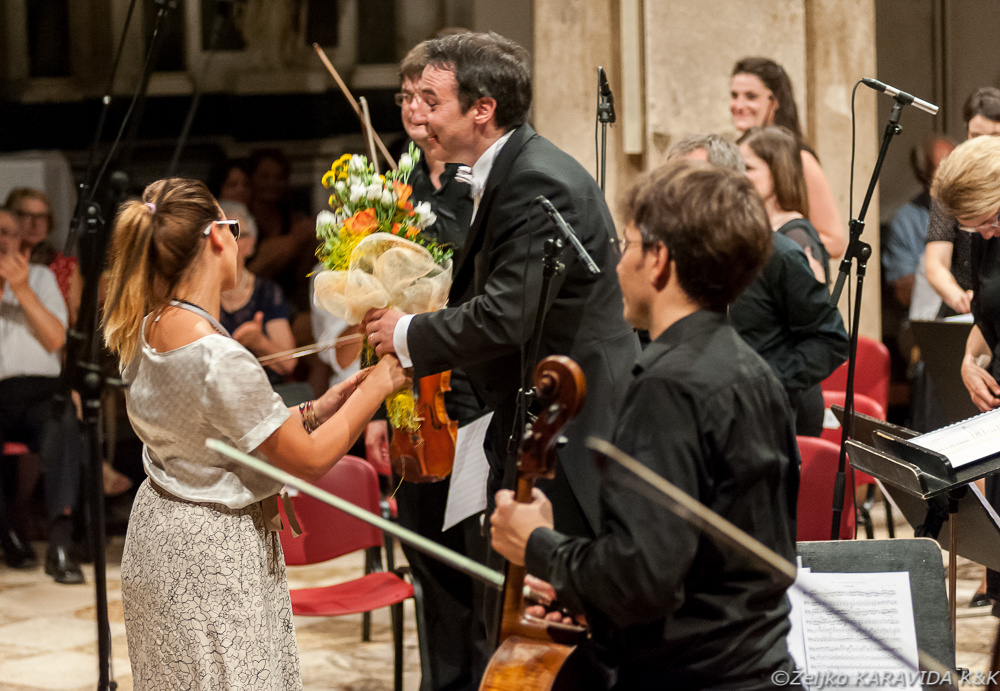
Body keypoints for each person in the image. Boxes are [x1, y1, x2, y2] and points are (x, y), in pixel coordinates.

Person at [489, 160, 799, 690]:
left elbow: (642, 580)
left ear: (659, 261)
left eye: (627, 244)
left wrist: (537, 542)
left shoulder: (667, 385)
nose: (616, 264)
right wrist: (586, 594)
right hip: (756, 664)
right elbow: (700, 557)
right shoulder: (753, 368)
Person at [101, 178, 409, 688]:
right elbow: (307, 462)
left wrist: (320, 407)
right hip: (211, 549)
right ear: (216, 239)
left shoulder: (145, 325)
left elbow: (221, 433)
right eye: (233, 227)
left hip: (161, 535)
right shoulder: (217, 355)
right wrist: (380, 382)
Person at [364, 32, 640, 544]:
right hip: (535, 409)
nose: (418, 116)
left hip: (572, 422)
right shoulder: (513, 167)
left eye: (432, 101)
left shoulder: (536, 179)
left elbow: (506, 315)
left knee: (552, 596)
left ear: (482, 109)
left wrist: (406, 332)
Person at [361, 41, 488, 691]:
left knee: (477, 557)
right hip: (410, 399)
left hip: (472, 393)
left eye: (426, 96)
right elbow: (372, 306)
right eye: (404, 97)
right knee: (428, 558)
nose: (414, 108)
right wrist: (377, 406)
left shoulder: (484, 185)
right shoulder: (390, 189)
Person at [674, 133, 848, 438]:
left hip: (765, 424)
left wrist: (765, 380)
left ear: (728, 184)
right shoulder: (671, 254)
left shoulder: (778, 254)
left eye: (689, 179)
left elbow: (829, 341)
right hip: (694, 419)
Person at [930, 134, 1000, 616]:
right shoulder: (983, 244)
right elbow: (986, 320)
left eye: (993, 221)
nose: (988, 233)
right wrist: (969, 361)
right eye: (976, 229)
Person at [0, 206, 87, 584]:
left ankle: (60, 544)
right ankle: (8, 536)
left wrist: (19, 289)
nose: (2, 240)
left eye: (8, 232)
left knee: (65, 419)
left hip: (41, 392)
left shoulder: (40, 277)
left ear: (20, 240)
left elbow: (56, 338)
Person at [730, 57, 846, 259]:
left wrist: (775, 246)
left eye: (751, 96)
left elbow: (835, 242)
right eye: (734, 95)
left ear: (775, 101)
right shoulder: (733, 150)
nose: (739, 105)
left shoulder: (800, 159)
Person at [925, 87, 1000, 317]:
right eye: (976, 136)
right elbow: (935, 263)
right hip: (965, 305)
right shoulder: (955, 183)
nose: (984, 144)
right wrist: (958, 296)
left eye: (995, 136)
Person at [217, 200, 296, 384]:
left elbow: (288, 363)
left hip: (265, 392)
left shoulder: (267, 292)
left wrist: (258, 341)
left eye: (237, 233)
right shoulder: (199, 291)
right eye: (222, 232)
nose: (229, 241)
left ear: (251, 242)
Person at [738, 125, 829, 283]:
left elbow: (805, 304)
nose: (738, 175)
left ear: (777, 172)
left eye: (748, 168)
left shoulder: (796, 236)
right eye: (737, 167)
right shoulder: (749, 225)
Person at [883, 135, 956, 309]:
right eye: (942, 170)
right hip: (934, 314)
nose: (953, 176)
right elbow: (903, 292)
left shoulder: (980, 207)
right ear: (922, 177)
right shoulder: (905, 220)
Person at [246, 148, 317, 316]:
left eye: (279, 177)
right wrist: (293, 241)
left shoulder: (295, 222)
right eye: (265, 176)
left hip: (287, 307)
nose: (272, 183)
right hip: (247, 303)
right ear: (251, 179)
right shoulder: (242, 223)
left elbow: (304, 282)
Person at [5, 187, 83, 327]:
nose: (35, 224)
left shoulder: (65, 263)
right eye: (26, 215)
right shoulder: (4, 262)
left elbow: (74, 319)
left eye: (42, 217)